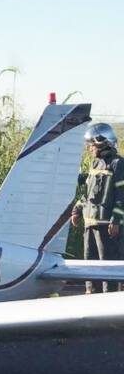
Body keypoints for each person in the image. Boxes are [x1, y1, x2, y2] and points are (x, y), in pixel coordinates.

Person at [70, 123, 124, 292]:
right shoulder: (94, 164)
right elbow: (89, 192)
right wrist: (77, 210)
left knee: (107, 267)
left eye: (91, 145)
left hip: (107, 227)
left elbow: (122, 194)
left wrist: (116, 219)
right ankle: (91, 296)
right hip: (90, 224)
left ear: (102, 142)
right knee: (89, 265)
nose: (90, 148)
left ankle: (110, 305)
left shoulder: (118, 164)